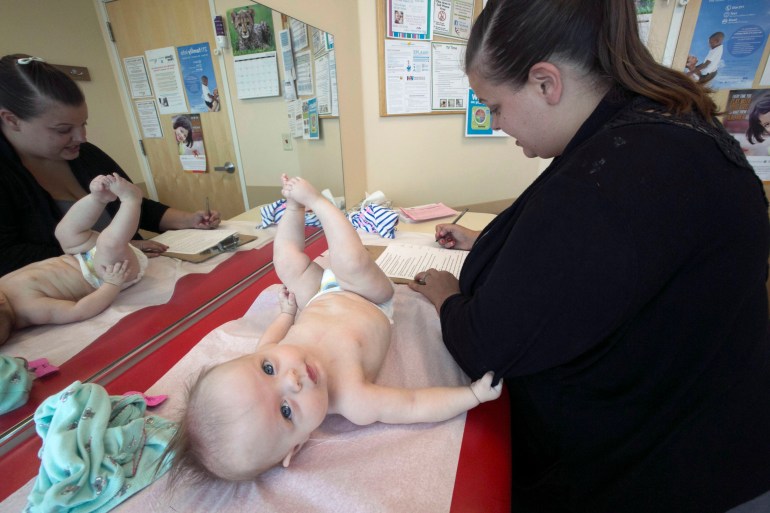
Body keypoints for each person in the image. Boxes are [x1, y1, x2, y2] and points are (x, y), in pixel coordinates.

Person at [408, 1, 770, 512]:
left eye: (494, 107)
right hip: (715, 429)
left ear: (545, 83)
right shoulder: (653, 130)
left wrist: (446, 297)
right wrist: (495, 244)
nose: (498, 125)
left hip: (675, 475)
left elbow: (488, 345)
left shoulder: (614, 176)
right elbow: (603, 259)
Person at [164, 174, 502, 482]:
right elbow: (413, 404)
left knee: (285, 262)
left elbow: (276, 333)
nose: (291, 379)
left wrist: (286, 312)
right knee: (349, 262)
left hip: (318, 299)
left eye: (268, 368)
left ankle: (295, 208)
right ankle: (321, 204)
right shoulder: (353, 398)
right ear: (294, 448)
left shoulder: (267, 350)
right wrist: (471, 395)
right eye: (286, 411)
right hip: (370, 299)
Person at [0, 54, 222, 278]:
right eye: (63, 130)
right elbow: (9, 258)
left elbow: (135, 207)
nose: (82, 137)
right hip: (69, 298)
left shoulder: (85, 155)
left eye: (83, 124)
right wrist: (114, 248)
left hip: (132, 276)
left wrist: (188, 220)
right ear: (11, 120)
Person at [0, 173, 147, 345]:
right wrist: (112, 284)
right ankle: (131, 200)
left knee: (64, 233)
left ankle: (98, 198)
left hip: (79, 256)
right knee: (107, 243)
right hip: (107, 273)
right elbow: (78, 311)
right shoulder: (30, 309)